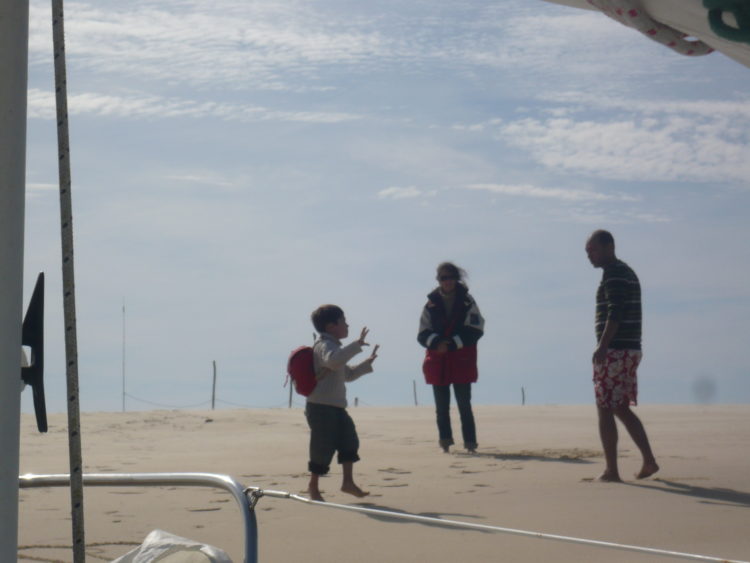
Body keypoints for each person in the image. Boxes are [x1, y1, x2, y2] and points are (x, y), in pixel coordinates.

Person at [586, 230, 659, 482]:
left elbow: (614, 313)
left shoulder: (615, 273)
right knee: (617, 405)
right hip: (628, 348)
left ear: (609, 247)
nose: (589, 256)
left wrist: (603, 346)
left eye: (593, 250)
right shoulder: (622, 272)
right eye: (587, 252)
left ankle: (612, 470)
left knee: (606, 406)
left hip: (617, 349)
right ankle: (647, 460)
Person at [306, 304, 379, 501]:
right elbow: (332, 361)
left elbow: (347, 374)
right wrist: (356, 345)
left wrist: (366, 364)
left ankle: (348, 482)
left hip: (337, 407)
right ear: (331, 326)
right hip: (320, 407)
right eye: (343, 321)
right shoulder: (324, 345)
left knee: (349, 441)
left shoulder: (335, 346)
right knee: (321, 447)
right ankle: (313, 486)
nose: (347, 325)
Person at [418, 262, 484, 453]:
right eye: (443, 278)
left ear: (457, 278)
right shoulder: (430, 304)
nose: (447, 282)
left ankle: (470, 444)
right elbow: (422, 333)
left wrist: (453, 343)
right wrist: (437, 343)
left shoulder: (467, 301)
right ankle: (445, 443)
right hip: (438, 361)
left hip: (462, 360)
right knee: (441, 407)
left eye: (450, 277)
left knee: (464, 405)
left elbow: (476, 329)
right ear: (438, 280)